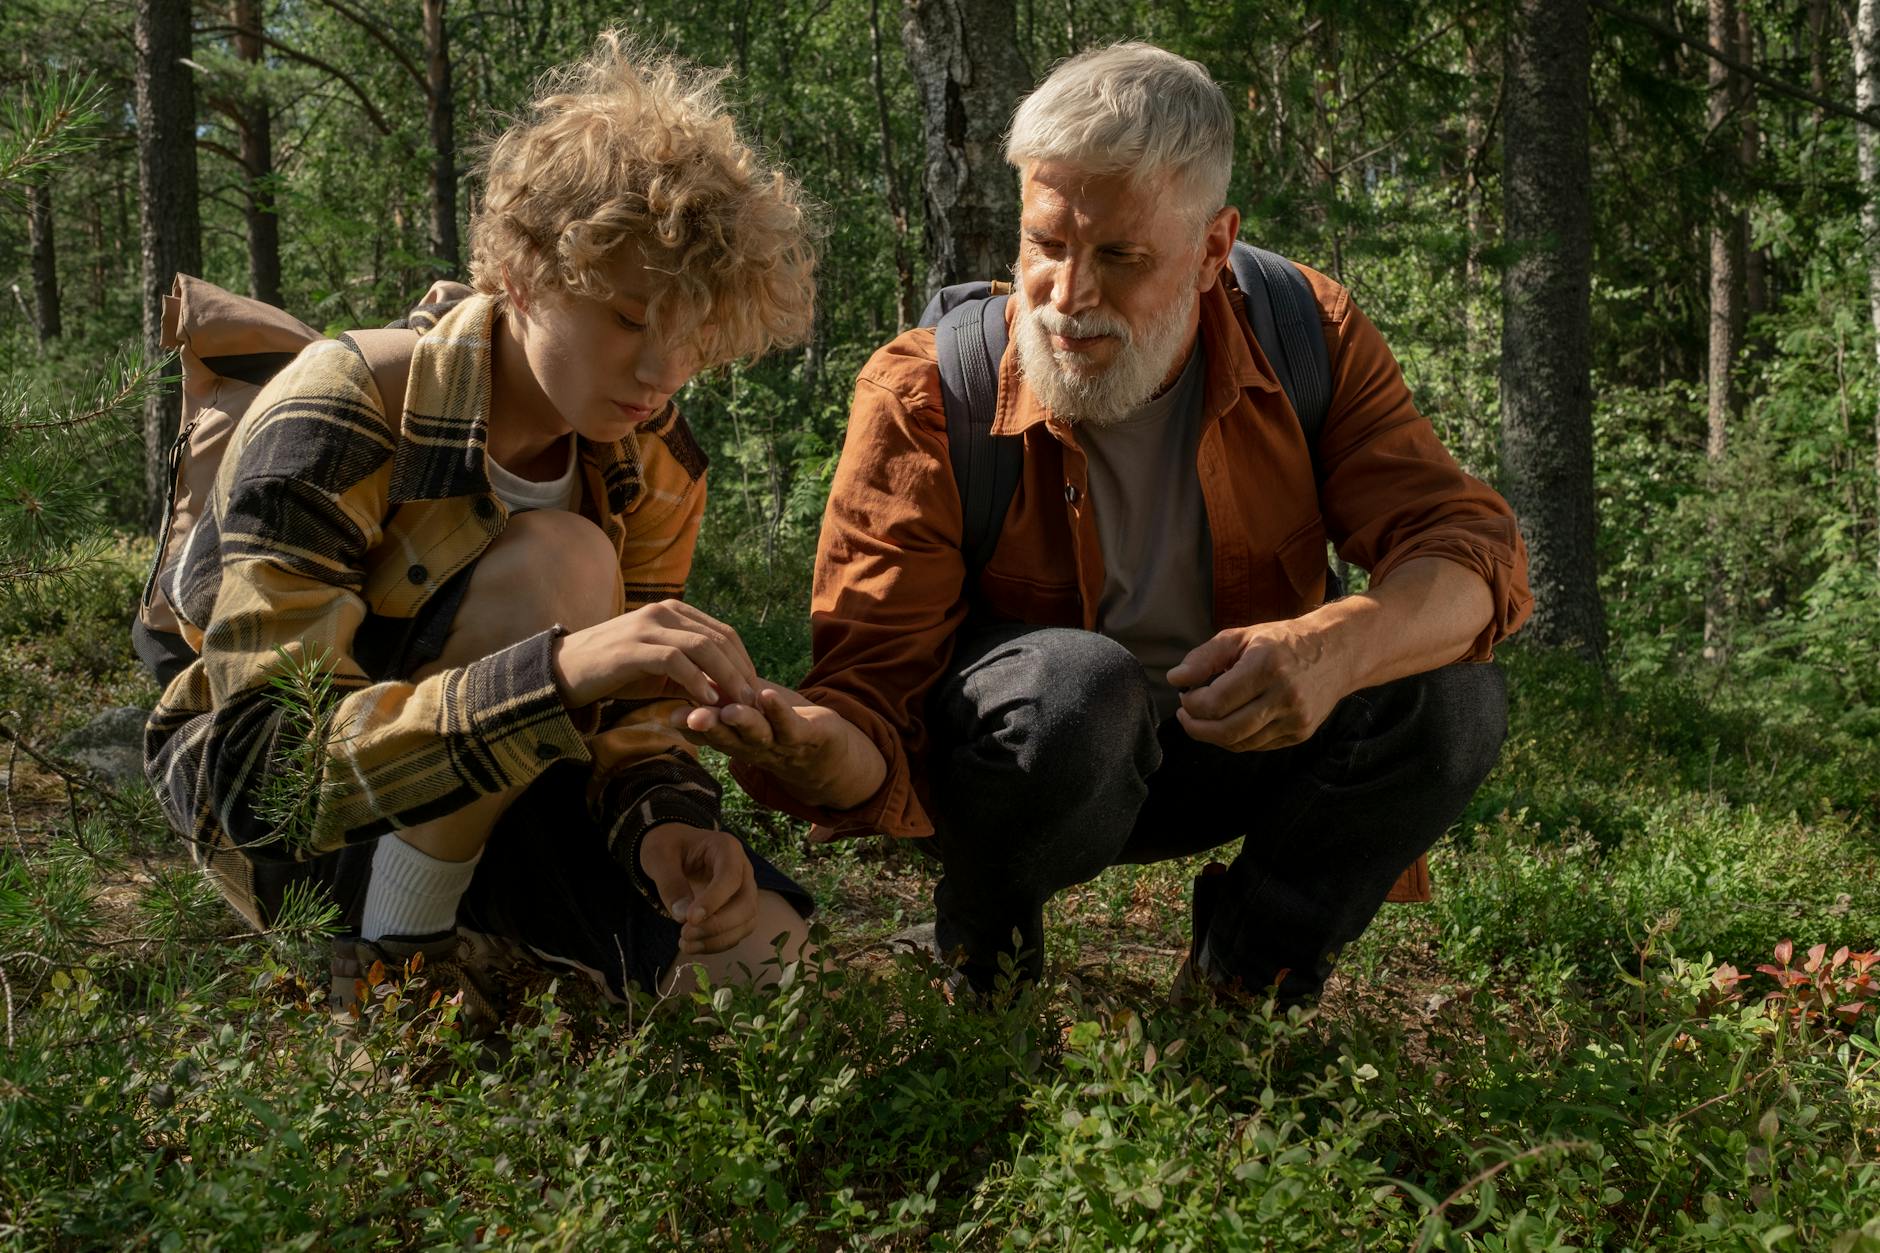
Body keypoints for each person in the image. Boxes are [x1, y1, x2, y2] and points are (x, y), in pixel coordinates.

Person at [711, 42, 1532, 1004]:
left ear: (1213, 250)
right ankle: (987, 956)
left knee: (1452, 701)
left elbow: (1470, 548)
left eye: (1119, 258)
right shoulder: (928, 391)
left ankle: (1248, 976)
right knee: (1077, 690)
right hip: (1028, 766)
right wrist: (819, 742)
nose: (1067, 296)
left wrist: (1337, 645)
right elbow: (872, 687)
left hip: (1242, 741)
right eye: (1045, 246)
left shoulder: (1307, 333)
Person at [143, 34, 830, 1027]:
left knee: (762, 952)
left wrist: (665, 822)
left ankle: (487, 942)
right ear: (521, 270)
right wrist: (550, 673)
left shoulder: (655, 456)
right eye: (629, 318)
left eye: (692, 332)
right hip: (320, 825)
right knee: (561, 563)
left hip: (513, 780)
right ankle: (393, 959)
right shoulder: (343, 402)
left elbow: (632, 711)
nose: (660, 370)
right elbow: (270, 777)